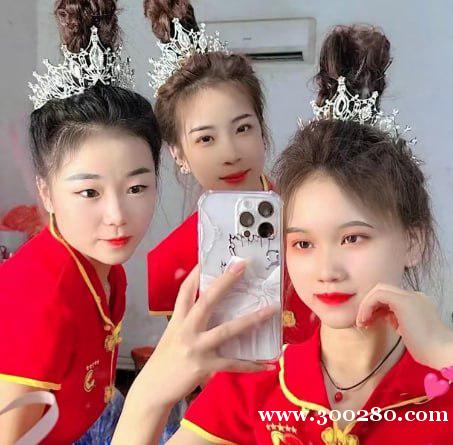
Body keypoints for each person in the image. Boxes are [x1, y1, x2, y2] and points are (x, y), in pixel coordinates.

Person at [112, 25, 453, 445]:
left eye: (353, 238)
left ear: (414, 241)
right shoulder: (254, 382)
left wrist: (445, 353)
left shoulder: (442, 385)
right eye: (303, 244)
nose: (326, 270)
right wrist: (148, 395)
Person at [0, 0, 163, 442]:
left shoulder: (103, 266)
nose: (117, 216)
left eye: (136, 188)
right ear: (46, 192)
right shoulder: (40, 297)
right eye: (89, 192)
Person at [144, 0, 314, 344]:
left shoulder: (312, 220)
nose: (231, 154)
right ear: (178, 153)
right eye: (206, 138)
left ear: (261, 129)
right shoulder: (172, 260)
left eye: (242, 128)